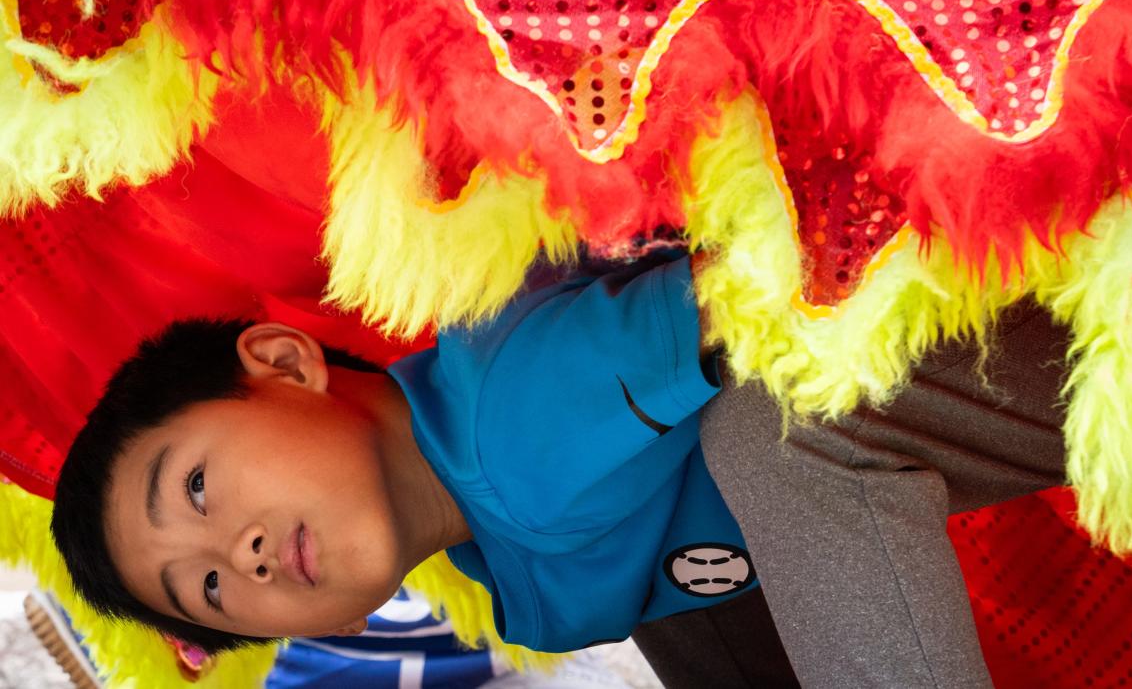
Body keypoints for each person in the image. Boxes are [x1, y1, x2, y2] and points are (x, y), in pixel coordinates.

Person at [51, 253, 760, 657]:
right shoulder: (538, 603)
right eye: (208, 590)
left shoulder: (513, 415)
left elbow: (790, 269)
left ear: (284, 363)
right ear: (329, 628)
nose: (245, 557)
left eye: (197, 487)